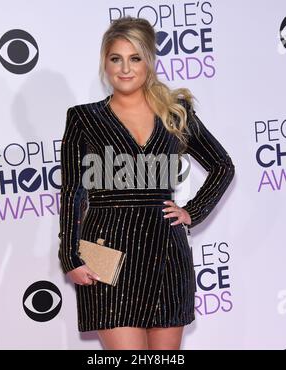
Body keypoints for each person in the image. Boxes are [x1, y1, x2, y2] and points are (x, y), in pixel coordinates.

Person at [58, 16, 235, 350]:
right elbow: (72, 192)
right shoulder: (83, 117)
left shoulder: (175, 111)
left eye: (135, 58)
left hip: (167, 252)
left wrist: (192, 211)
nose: (125, 68)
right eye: (116, 58)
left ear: (149, 61)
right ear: (105, 63)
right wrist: (70, 256)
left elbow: (222, 166)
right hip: (105, 249)